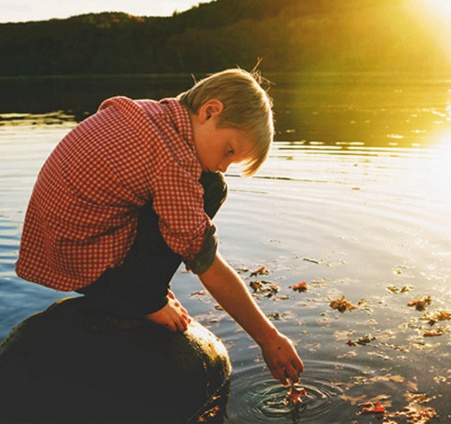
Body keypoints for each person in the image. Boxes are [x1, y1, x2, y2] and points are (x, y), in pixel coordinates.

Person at [15, 67, 303, 386]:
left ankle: (137, 286)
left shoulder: (150, 114)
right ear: (210, 111)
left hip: (59, 246)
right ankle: (139, 297)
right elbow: (204, 259)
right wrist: (268, 338)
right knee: (211, 188)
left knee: (207, 183)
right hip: (84, 259)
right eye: (229, 151)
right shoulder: (171, 159)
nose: (223, 165)